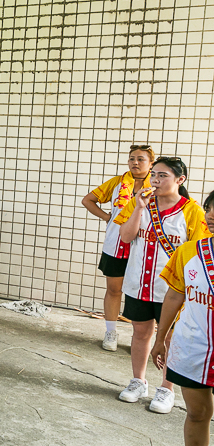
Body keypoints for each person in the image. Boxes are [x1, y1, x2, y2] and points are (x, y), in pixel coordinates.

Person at [115, 156, 208, 413]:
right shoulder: (140, 202)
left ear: (180, 180)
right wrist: (139, 208)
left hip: (172, 290)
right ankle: (138, 381)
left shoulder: (192, 211)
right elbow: (125, 236)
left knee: (170, 338)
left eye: (163, 175)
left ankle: (167, 388)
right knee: (141, 333)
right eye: (153, 174)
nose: (155, 179)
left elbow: (198, 251)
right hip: (138, 283)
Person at [151, 190, 214, 446]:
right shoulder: (189, 251)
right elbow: (175, 296)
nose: (212, 213)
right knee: (198, 412)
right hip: (193, 347)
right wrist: (160, 337)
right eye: (210, 207)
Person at [82, 145, 154, 351]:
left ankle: (141, 338)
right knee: (114, 290)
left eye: (141, 159)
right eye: (132, 158)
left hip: (144, 249)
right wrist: (108, 218)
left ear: (151, 163)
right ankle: (110, 332)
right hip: (116, 245)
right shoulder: (117, 183)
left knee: (142, 295)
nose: (135, 162)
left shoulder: (157, 185)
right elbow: (88, 200)